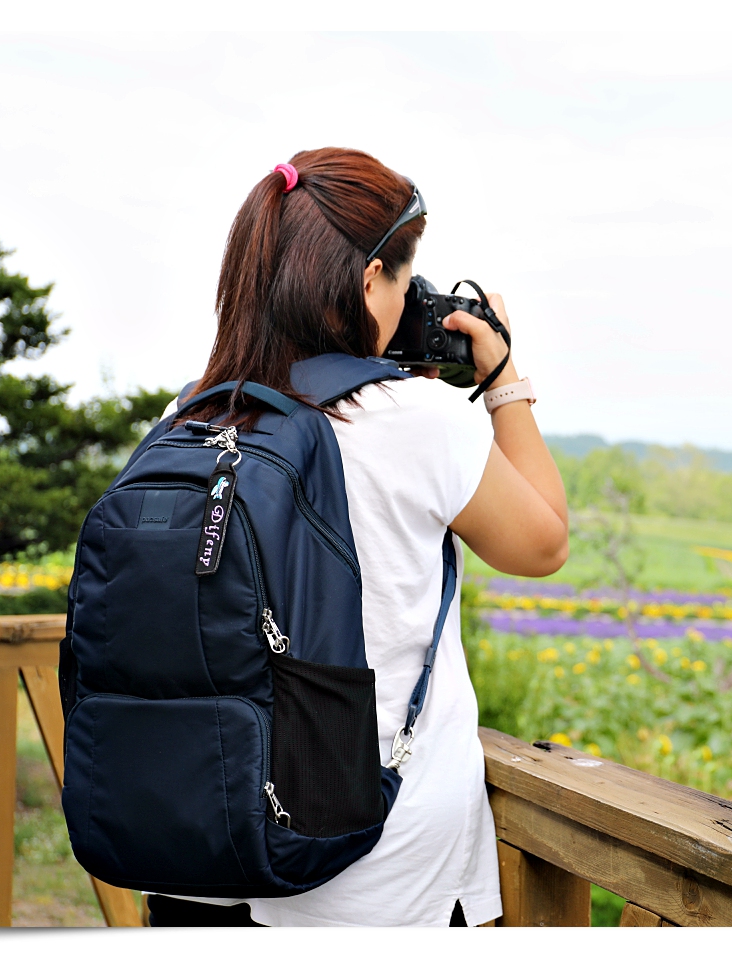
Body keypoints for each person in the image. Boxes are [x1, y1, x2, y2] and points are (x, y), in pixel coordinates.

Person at [144, 147, 569, 926]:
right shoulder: (421, 422)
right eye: (406, 281)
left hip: (197, 858)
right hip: (374, 880)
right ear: (370, 280)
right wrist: (504, 378)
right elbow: (543, 543)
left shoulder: (189, 415)